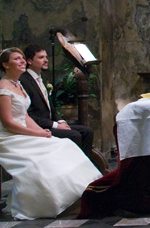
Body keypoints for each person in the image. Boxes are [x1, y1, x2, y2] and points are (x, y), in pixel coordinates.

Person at [0, 47, 103, 219]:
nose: (21, 61)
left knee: (64, 145)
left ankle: (80, 193)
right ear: (5, 65)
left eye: (22, 58)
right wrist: (36, 134)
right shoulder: (1, 88)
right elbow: (8, 123)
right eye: (16, 59)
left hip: (23, 132)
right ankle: (49, 201)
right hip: (6, 137)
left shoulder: (18, 84)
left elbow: (25, 116)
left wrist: (41, 131)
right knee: (44, 157)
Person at [19, 44, 105, 172]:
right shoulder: (24, 81)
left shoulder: (41, 78)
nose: (46, 60)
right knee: (74, 135)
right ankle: (71, 171)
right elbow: (29, 115)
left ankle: (84, 169)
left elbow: (50, 107)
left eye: (46, 57)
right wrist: (54, 125)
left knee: (86, 132)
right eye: (41, 57)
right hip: (38, 127)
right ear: (29, 61)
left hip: (49, 123)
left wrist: (61, 120)